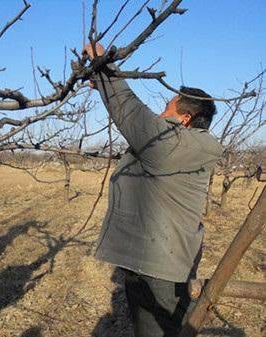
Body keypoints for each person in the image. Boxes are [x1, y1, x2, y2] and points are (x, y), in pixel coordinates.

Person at [84, 43, 223, 337]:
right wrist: (106, 89)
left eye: (166, 108)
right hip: (144, 259)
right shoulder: (179, 145)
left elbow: (139, 123)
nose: (160, 114)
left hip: (163, 268)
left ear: (185, 118)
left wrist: (106, 73)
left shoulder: (197, 145)